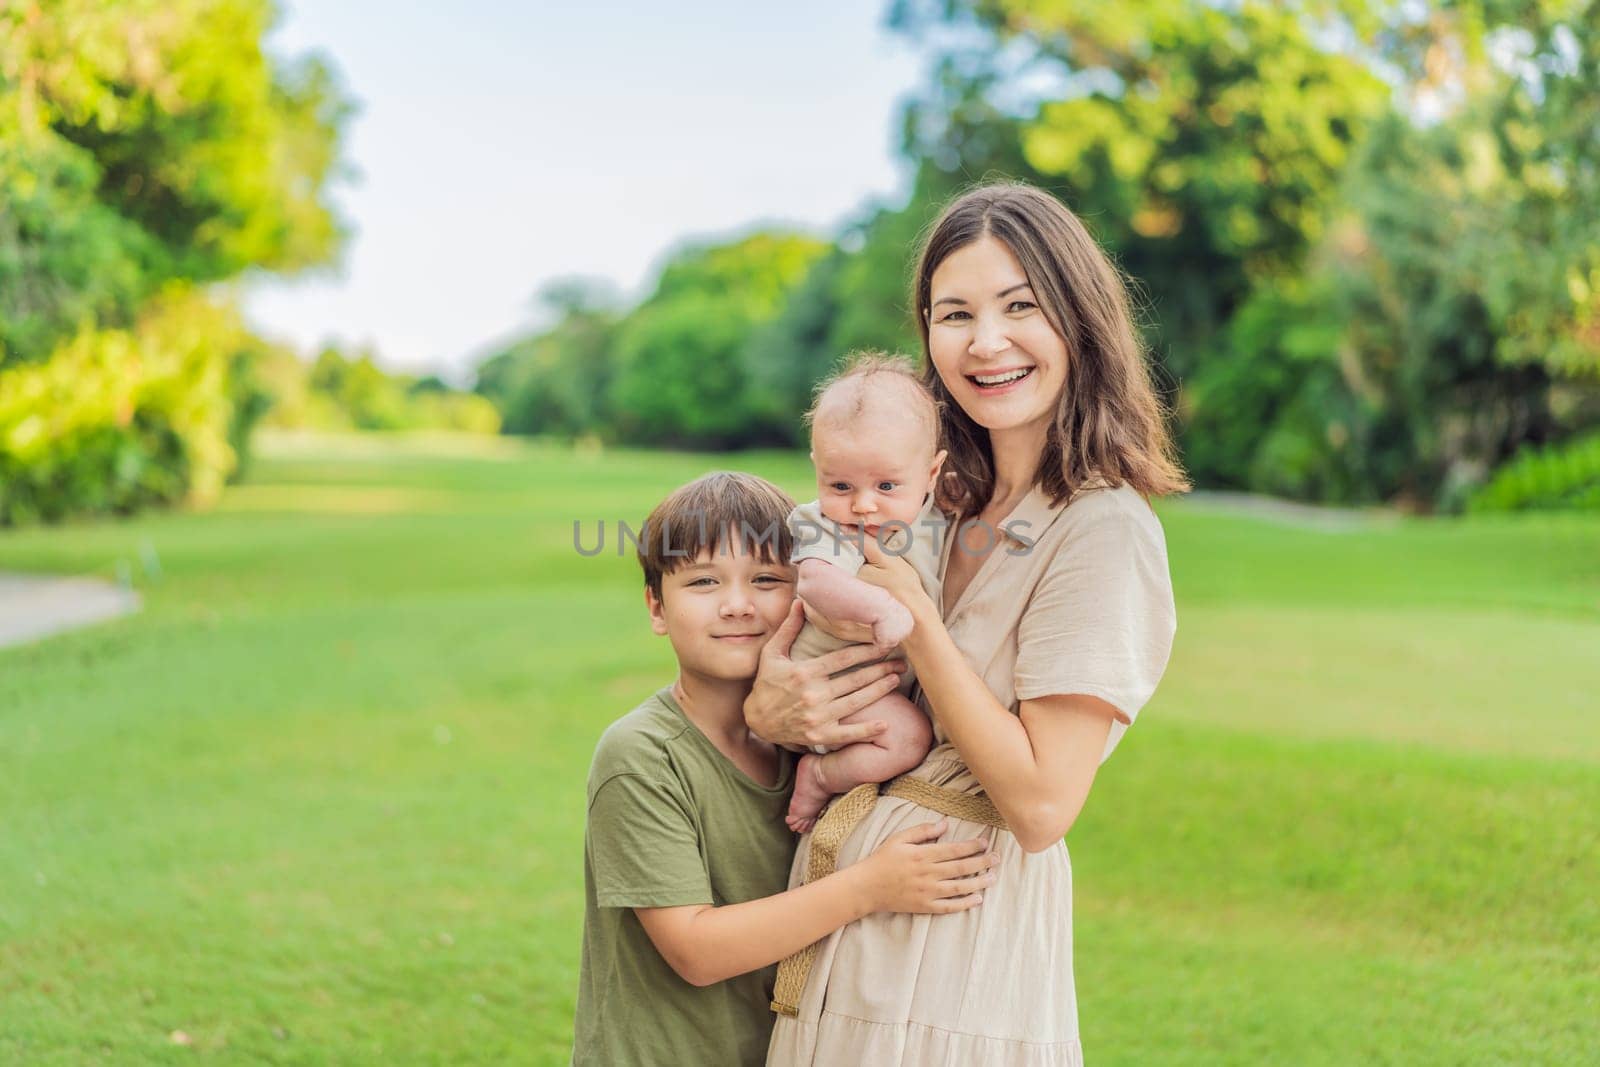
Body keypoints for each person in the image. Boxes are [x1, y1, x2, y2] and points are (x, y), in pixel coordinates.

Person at [749, 182, 1187, 1064]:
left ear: (1078, 319)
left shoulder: (1102, 529)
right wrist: (771, 703)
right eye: (955, 313)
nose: (986, 342)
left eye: (1020, 305)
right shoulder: (923, 501)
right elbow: (798, 639)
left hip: (960, 944)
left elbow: (1040, 803)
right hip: (847, 925)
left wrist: (919, 627)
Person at [571, 471, 1000, 1067]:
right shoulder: (643, 755)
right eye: (702, 582)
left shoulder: (830, 748)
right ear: (656, 607)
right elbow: (696, 949)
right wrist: (872, 887)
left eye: (768, 579)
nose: (738, 605)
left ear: (809, 588)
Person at [782, 354, 946, 832]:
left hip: (880, 677)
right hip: (835, 684)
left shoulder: (931, 522)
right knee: (908, 739)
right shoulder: (826, 524)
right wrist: (879, 609)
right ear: (818, 468)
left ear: (931, 476)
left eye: (887, 485)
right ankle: (820, 775)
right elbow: (817, 580)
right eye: (840, 484)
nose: (863, 503)